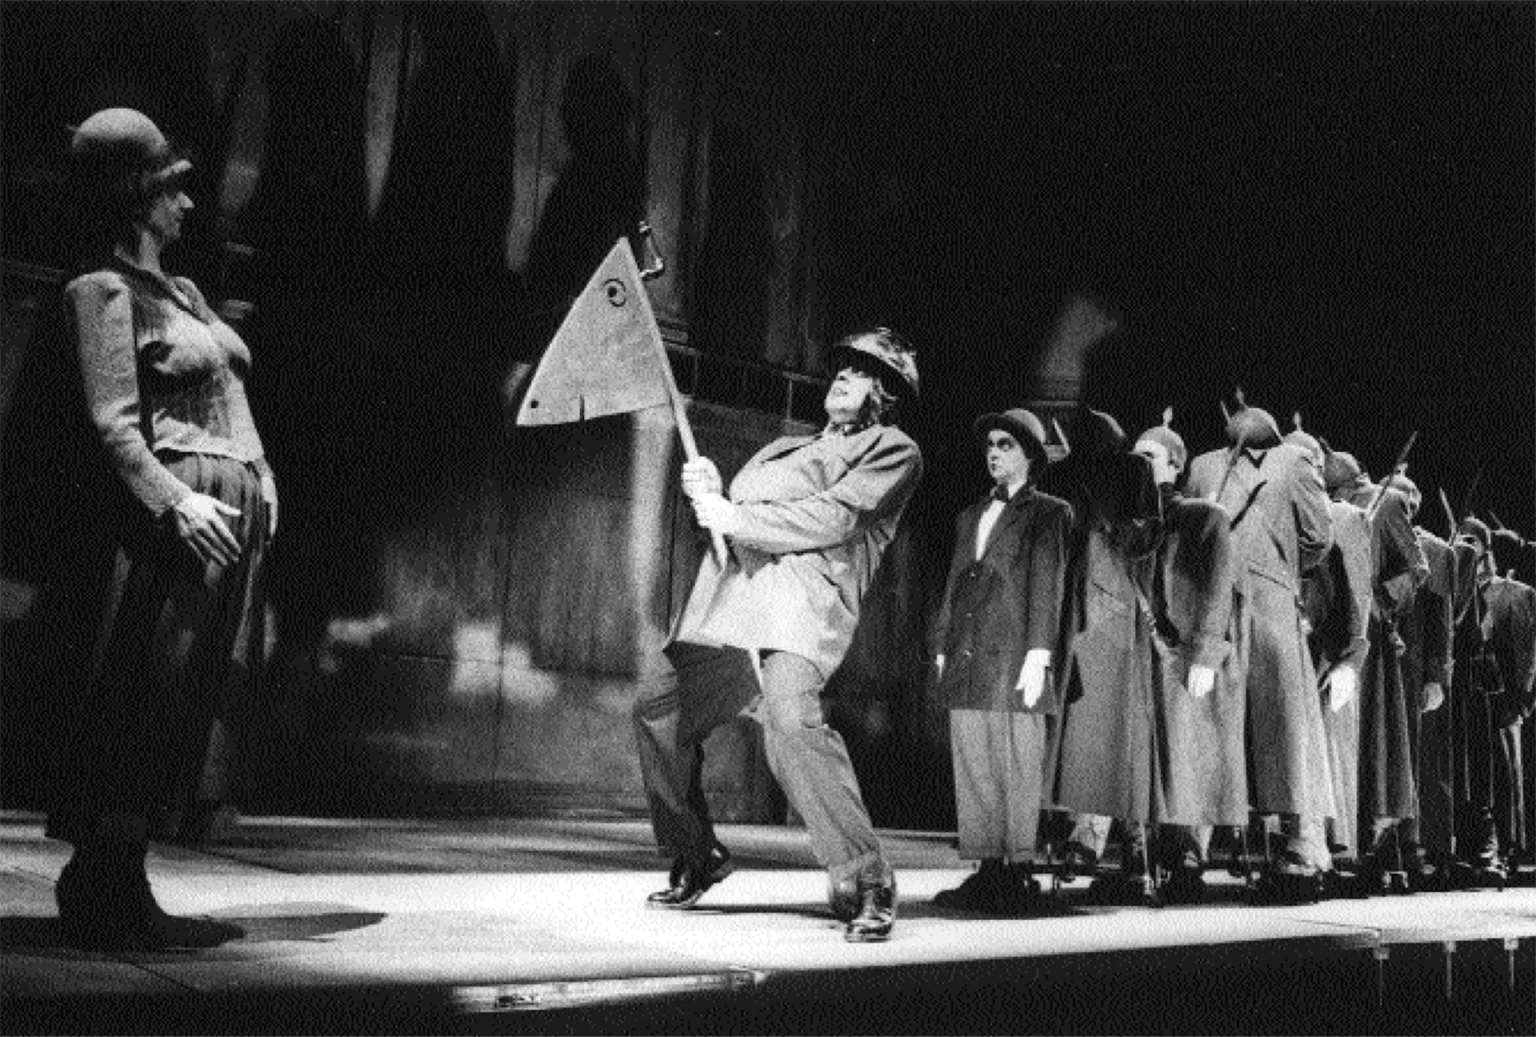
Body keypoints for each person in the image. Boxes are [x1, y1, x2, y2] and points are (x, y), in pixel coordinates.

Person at [46, 108, 276, 950]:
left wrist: (261, 469)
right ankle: (103, 877)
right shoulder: (99, 291)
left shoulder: (182, 293)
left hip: (227, 510)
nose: (188, 206)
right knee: (149, 690)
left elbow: (232, 390)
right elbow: (114, 423)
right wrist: (176, 501)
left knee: (191, 694)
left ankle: (121, 874)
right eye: (173, 190)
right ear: (134, 194)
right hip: (178, 520)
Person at [632, 328, 923, 942]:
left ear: (887, 393)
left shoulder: (894, 450)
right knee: (659, 708)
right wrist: (712, 490)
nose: (841, 376)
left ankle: (868, 877)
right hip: (732, 608)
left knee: (791, 727)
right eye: (840, 367)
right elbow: (737, 523)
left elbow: (835, 517)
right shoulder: (783, 447)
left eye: (860, 371)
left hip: (796, 608)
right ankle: (697, 851)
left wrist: (736, 515)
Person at [1185, 400, 1334, 903]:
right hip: (1264, 600)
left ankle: (1190, 849)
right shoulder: (1294, 463)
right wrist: (1284, 562)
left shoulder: (1204, 465)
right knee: (1281, 729)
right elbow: (1319, 536)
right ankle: (1297, 848)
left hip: (1227, 600)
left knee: (1222, 725)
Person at [928, 409, 1071, 915]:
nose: (993, 452)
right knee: (973, 757)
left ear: (1030, 455)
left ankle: (1016, 869)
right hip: (969, 650)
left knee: (1015, 758)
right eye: (990, 443)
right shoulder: (971, 515)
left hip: (1014, 651)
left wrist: (1039, 652)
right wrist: (943, 644)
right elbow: (953, 583)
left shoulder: (1050, 512)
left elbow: (1047, 584)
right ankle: (988, 865)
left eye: (1006, 444)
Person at [1286, 428, 1371, 881]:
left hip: (1319, 650)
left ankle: (1313, 848)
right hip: (1272, 642)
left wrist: (1349, 661)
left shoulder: (1343, 519)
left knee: (1312, 753)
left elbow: (1356, 596)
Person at [1384, 473, 1457, 889]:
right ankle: (1387, 840)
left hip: (1414, 669)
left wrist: (1436, 677)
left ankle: (1415, 844)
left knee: (1417, 758)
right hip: (1384, 662)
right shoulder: (1380, 536)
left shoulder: (1435, 550)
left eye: (1409, 497)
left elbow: (1442, 624)